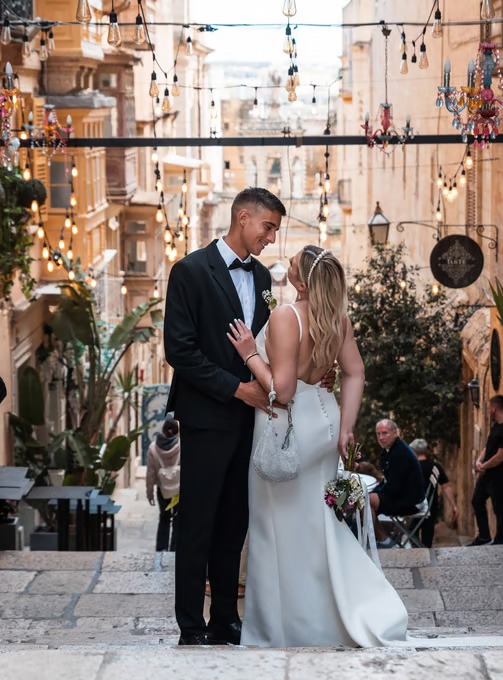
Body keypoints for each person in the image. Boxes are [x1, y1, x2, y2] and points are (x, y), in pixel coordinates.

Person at [227, 245, 410, 648]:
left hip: (285, 432)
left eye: (293, 262)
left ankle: (280, 627)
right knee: (317, 525)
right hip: (323, 427)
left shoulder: (285, 316)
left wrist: (250, 354)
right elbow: (356, 372)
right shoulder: (337, 320)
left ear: (302, 281)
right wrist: (345, 429)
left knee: (274, 529)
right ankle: (328, 615)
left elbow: (283, 391)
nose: (288, 263)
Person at [164, 187, 287, 647]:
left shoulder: (262, 276)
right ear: (242, 218)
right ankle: (190, 625)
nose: (271, 238)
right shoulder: (189, 271)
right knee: (198, 523)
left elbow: (267, 342)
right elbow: (180, 351)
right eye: (267, 227)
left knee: (235, 522)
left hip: (250, 421)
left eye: (274, 230)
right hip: (206, 417)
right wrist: (238, 389)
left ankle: (224, 619)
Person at [369, 419, 425, 548]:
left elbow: (393, 488)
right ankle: (383, 537)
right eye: (378, 434)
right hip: (406, 495)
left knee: (365, 501)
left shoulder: (400, 454)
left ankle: (385, 540)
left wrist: (375, 494)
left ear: (395, 433)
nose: (381, 437)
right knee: (367, 499)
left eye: (385, 433)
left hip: (411, 501)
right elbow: (389, 482)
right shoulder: (391, 449)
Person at [409, 438, 457, 548]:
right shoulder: (435, 467)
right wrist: (454, 505)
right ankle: (426, 549)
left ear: (413, 451)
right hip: (431, 506)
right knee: (428, 532)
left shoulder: (410, 467)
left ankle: (417, 549)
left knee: (412, 530)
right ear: (426, 450)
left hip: (413, 506)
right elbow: (446, 486)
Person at [469, 394, 503, 546]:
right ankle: (484, 536)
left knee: (499, 508)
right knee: (476, 501)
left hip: (499, 476)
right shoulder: (495, 426)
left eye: (489, 407)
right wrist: (479, 460)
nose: (488, 410)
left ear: (494, 408)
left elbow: (500, 456)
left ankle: (500, 540)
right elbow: (487, 447)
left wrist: (484, 465)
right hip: (487, 474)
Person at [146, 416, 180, 552]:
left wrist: (149, 494)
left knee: (164, 518)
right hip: (178, 490)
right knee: (178, 518)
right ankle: (175, 547)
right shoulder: (182, 445)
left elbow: (150, 474)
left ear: (163, 429)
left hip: (162, 489)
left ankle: (161, 548)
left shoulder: (153, 448)